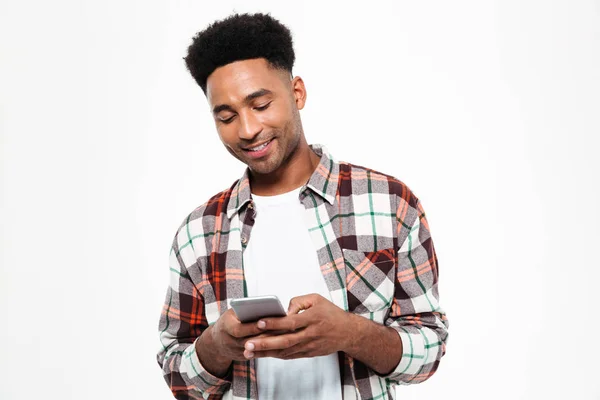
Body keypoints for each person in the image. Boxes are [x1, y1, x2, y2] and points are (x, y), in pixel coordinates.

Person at [156, 12, 449, 400]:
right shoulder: (198, 232)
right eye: (226, 116)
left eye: (260, 105)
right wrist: (218, 344)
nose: (246, 130)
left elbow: (428, 351)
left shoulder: (389, 202)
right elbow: (178, 376)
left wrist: (351, 333)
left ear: (297, 93)